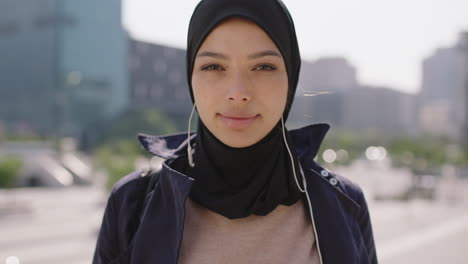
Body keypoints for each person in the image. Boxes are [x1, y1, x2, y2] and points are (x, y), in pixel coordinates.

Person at [93, 0, 378, 263]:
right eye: (214, 66)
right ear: (190, 77)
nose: (238, 93)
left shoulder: (342, 201)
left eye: (264, 66)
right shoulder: (133, 201)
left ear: (290, 78)